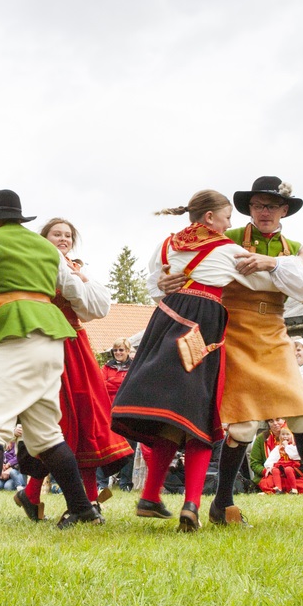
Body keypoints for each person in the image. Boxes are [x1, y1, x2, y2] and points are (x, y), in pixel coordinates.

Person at [0, 189, 113, 532]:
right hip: (53, 338)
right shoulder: (48, 249)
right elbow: (87, 302)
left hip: (12, 332)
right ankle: (82, 509)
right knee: (46, 432)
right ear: (21, 219)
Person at [170, 176, 303, 527]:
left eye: (272, 206)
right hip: (235, 330)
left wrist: (273, 262)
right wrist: (167, 279)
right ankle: (222, 503)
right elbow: (188, 259)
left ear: (284, 210)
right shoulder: (226, 238)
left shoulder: (293, 247)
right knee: (243, 427)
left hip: (275, 333)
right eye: (258, 205)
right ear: (249, 209)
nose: (265, 212)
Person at [112, 189, 265, 532]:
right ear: (209, 218)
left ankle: (150, 495)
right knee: (199, 416)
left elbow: (155, 285)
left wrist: (165, 285)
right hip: (203, 327)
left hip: (166, 324)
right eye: (227, 217)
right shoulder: (227, 250)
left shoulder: (167, 244)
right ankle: (191, 505)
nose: (230, 224)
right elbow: (265, 280)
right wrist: (292, 261)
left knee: (172, 416)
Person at [12, 218, 134, 518]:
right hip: (46, 341)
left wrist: (82, 279)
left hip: (75, 344)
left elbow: (95, 310)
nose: (63, 239)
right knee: (56, 419)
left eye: (68, 235)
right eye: (57, 234)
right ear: (44, 238)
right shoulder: (34, 263)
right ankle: (55, 497)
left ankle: (70, 498)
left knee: (86, 415)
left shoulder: (74, 267)